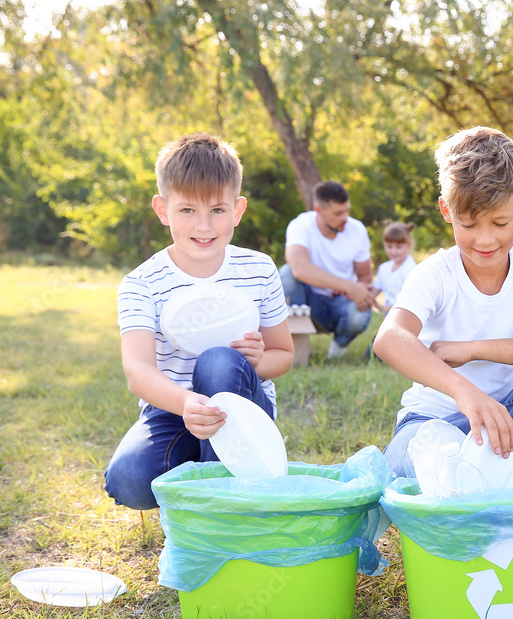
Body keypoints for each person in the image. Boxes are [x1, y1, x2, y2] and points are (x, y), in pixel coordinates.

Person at [374, 126, 513, 477]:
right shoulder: (436, 273)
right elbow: (389, 338)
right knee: (400, 470)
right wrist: (464, 391)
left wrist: (475, 348)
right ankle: (480, 494)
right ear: (447, 211)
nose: (486, 239)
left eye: (500, 222)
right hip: (439, 418)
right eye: (469, 224)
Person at [105, 133, 295, 510]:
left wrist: (256, 361)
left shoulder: (257, 269)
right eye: (188, 210)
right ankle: (213, 472)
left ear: (238, 210)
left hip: (242, 408)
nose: (204, 226)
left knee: (218, 360)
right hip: (175, 409)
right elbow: (138, 371)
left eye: (218, 211)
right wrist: (187, 404)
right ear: (163, 209)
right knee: (128, 480)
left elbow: (283, 354)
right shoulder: (142, 283)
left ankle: (224, 505)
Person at [280, 181, 376, 359]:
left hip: (340, 302)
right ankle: (299, 347)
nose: (345, 218)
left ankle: (339, 345)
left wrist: (353, 289)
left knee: (359, 315)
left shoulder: (357, 230)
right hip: (308, 299)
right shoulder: (300, 225)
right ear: (318, 210)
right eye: (338, 213)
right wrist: (347, 285)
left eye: (347, 210)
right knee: (286, 274)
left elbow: (364, 275)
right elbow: (299, 268)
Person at [371, 221, 418, 314]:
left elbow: (410, 300)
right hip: (389, 316)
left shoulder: (411, 270)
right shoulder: (384, 268)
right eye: (389, 246)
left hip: (406, 315)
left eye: (398, 247)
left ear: (409, 245)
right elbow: (374, 290)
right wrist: (365, 296)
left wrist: (385, 308)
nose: (393, 251)